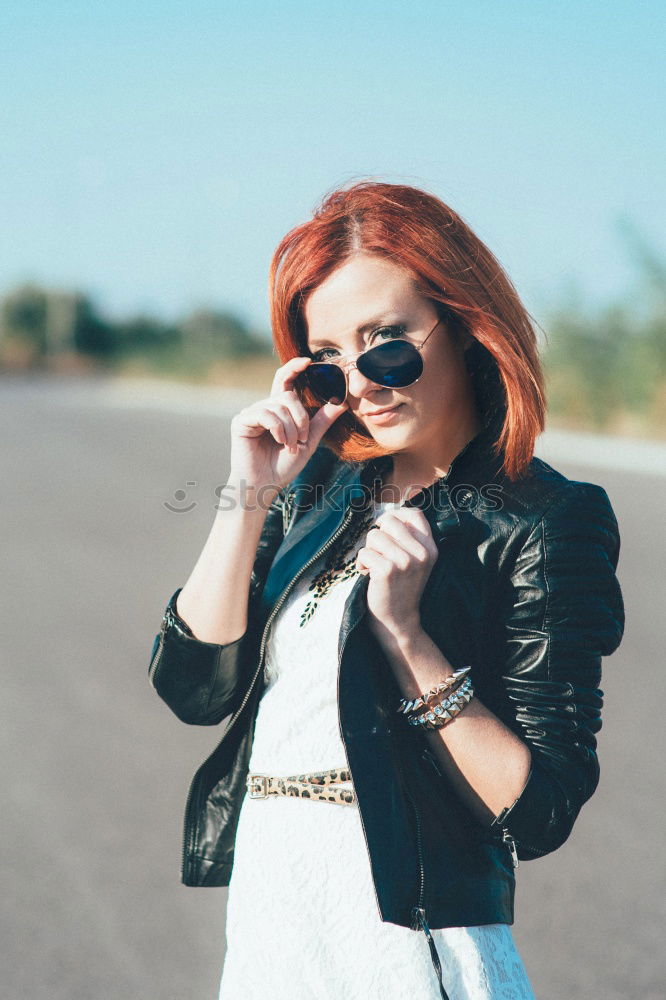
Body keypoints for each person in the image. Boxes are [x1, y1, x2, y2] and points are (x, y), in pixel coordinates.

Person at [148, 181, 625, 999]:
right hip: (272, 916)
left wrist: (408, 639)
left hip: (406, 937)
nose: (362, 383)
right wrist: (250, 495)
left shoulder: (545, 519)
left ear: (467, 324)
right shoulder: (317, 490)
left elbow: (541, 809)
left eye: (387, 342)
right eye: (328, 361)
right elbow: (193, 687)